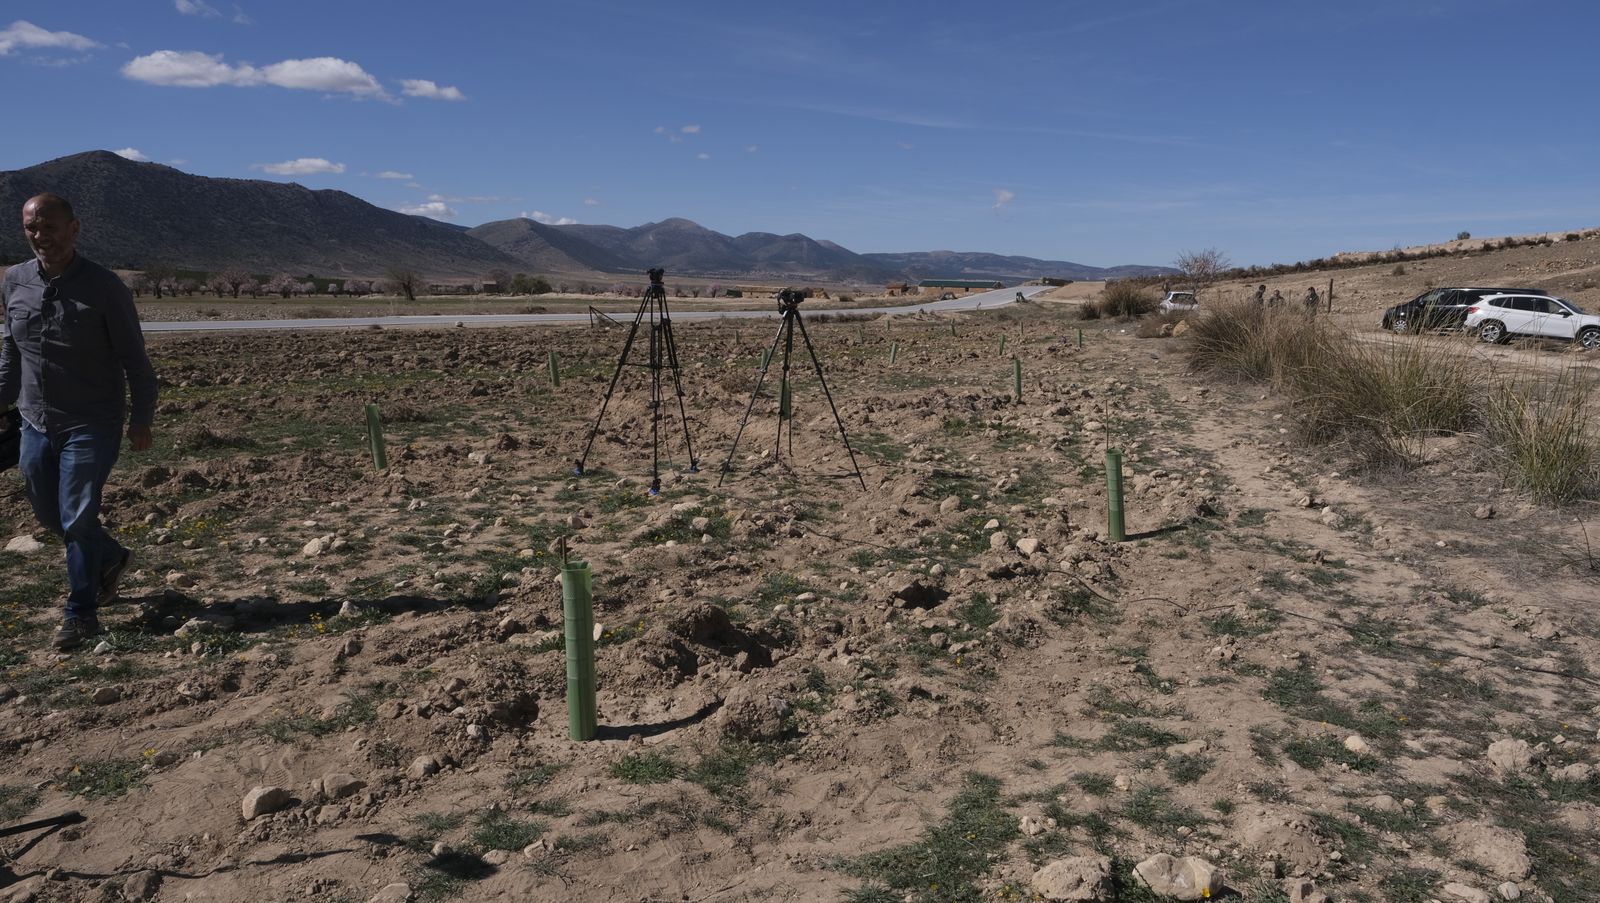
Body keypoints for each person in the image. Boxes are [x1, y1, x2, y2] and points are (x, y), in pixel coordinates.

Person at [1, 194, 158, 650]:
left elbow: (136, 362)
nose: (40, 236)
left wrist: (141, 418)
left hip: (92, 421)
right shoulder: (14, 280)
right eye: (31, 228)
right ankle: (110, 556)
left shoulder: (105, 287)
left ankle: (81, 613)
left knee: (77, 515)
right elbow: (11, 350)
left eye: (49, 227)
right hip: (34, 419)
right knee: (48, 513)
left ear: (74, 228)